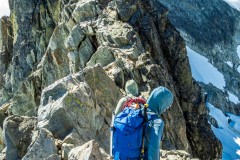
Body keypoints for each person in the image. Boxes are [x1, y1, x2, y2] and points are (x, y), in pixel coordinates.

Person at [144, 86, 174, 160]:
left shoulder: (136, 109)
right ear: (162, 103)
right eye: (166, 107)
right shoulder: (157, 122)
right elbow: (153, 148)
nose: (165, 110)